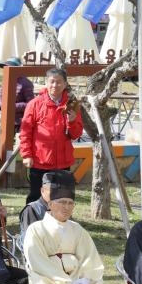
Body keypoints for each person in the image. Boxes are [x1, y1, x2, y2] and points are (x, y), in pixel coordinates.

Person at [19, 68, 83, 203]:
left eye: (59, 82)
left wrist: (72, 122)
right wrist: (26, 155)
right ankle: (32, 222)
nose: (55, 85)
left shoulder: (71, 105)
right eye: (52, 82)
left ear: (65, 84)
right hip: (39, 161)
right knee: (37, 196)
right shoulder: (35, 104)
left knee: (62, 197)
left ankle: (59, 222)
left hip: (63, 161)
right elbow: (25, 132)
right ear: (46, 83)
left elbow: (76, 135)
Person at [19, 170, 60, 243]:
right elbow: (30, 239)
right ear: (42, 191)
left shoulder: (61, 207)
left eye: (58, 191)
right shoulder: (32, 209)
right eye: (52, 190)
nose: (55, 194)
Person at [0, 57, 35, 132]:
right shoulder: (6, 79)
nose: (6, 69)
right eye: (5, 67)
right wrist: (1, 105)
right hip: (5, 119)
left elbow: (31, 104)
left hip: (19, 122)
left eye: (8, 67)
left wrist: (13, 106)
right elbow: (0, 94)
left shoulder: (26, 83)